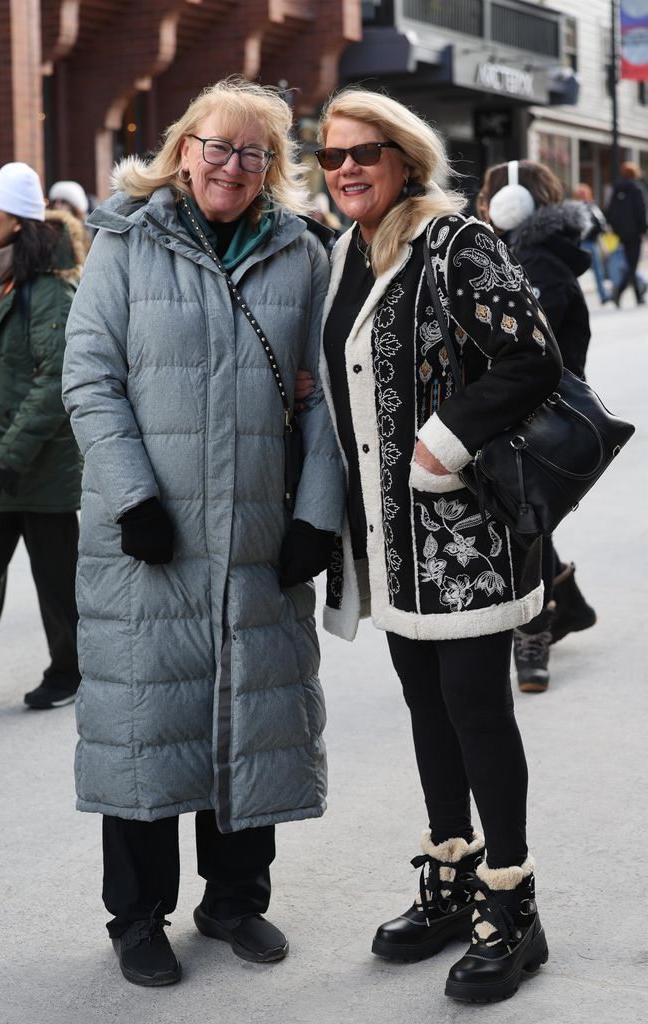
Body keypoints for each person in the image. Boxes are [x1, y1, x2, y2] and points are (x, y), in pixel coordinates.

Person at [61, 77, 344, 988]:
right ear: (183, 149)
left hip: (261, 532)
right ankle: (138, 915)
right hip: (149, 540)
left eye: (253, 153)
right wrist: (134, 496)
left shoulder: (303, 254)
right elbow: (90, 379)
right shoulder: (123, 243)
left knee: (247, 714)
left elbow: (329, 402)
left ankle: (235, 901)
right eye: (217, 147)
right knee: (150, 724)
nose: (232, 165)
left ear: (272, 169)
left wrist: (314, 518)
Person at [314, 88, 562, 1004]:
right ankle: (452, 879)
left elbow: (533, 355)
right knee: (425, 704)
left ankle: (514, 903)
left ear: (405, 160)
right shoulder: (345, 252)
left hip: (463, 535)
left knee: (475, 708)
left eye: (364, 153)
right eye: (332, 154)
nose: (345, 168)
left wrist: (445, 437)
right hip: (388, 541)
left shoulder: (458, 242)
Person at [0, 162, 84, 715]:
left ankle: (69, 673)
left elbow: (54, 378)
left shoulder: (48, 293)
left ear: (15, 220)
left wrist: (11, 452)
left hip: (40, 467)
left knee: (57, 583)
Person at [478, 160, 598, 692]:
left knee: (521, 523)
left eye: (488, 199)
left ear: (509, 207)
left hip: (536, 419)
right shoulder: (524, 256)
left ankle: (534, 634)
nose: (482, 208)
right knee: (524, 519)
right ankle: (567, 604)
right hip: (529, 417)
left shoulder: (535, 263)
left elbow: (528, 355)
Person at [604, 161, 647, 307]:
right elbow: (641, 211)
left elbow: (608, 211)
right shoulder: (636, 189)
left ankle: (637, 296)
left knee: (630, 264)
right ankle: (620, 291)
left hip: (621, 234)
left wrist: (616, 229)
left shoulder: (615, 189)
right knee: (632, 266)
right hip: (635, 234)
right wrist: (643, 230)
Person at [572, 182, 611, 304]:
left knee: (577, 273)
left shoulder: (574, 208)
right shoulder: (590, 207)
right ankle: (603, 295)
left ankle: (576, 298)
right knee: (597, 272)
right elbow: (601, 224)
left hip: (581, 244)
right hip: (588, 243)